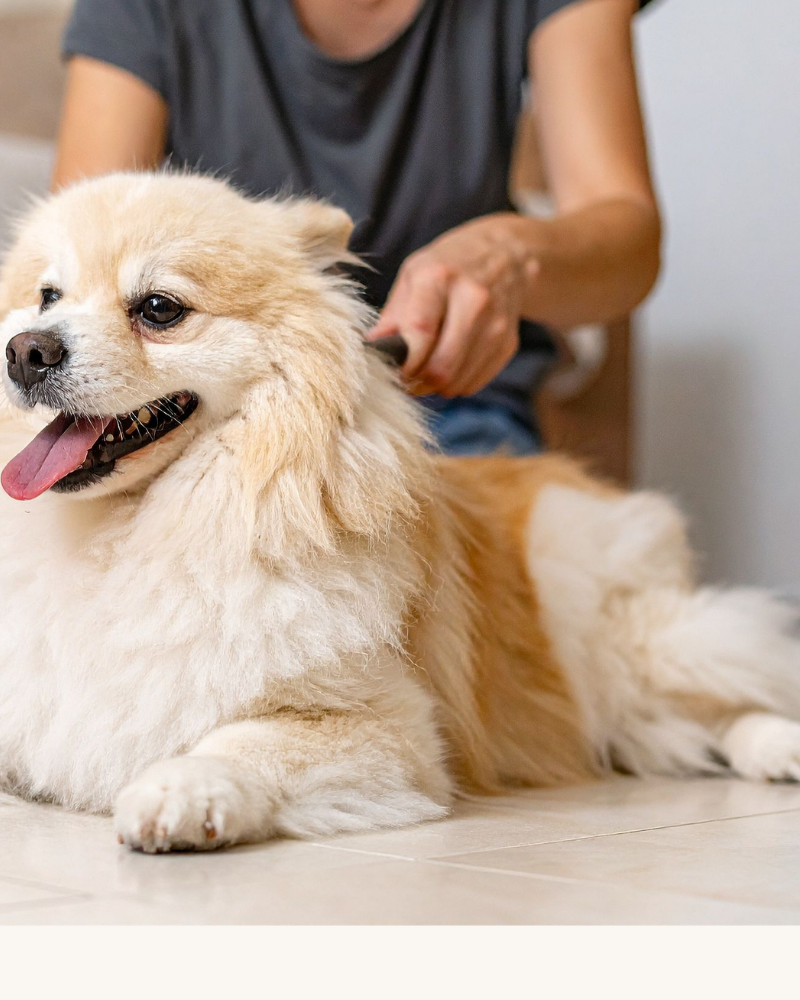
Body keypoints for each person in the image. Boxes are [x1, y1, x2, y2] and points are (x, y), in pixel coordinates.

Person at [54, 0, 660, 455]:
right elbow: (74, 262)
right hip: (201, 416)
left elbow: (627, 236)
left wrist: (508, 255)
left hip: (444, 402)